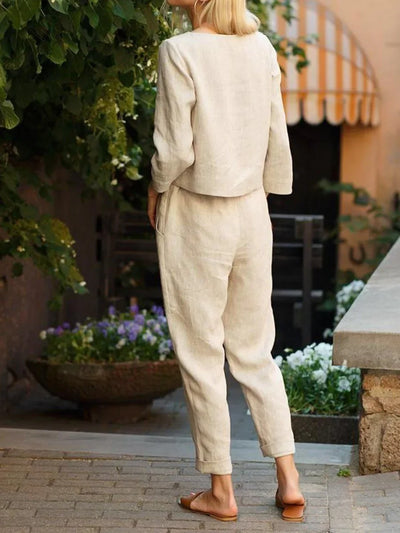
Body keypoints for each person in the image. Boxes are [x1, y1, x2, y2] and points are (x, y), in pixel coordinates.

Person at [147, 0, 306, 524]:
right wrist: (266, 195)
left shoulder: (179, 50)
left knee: (201, 354)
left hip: (197, 215)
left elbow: (175, 148)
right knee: (255, 350)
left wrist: (156, 186)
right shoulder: (260, 47)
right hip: (252, 212)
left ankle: (221, 490)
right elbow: (277, 135)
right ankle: (289, 479)